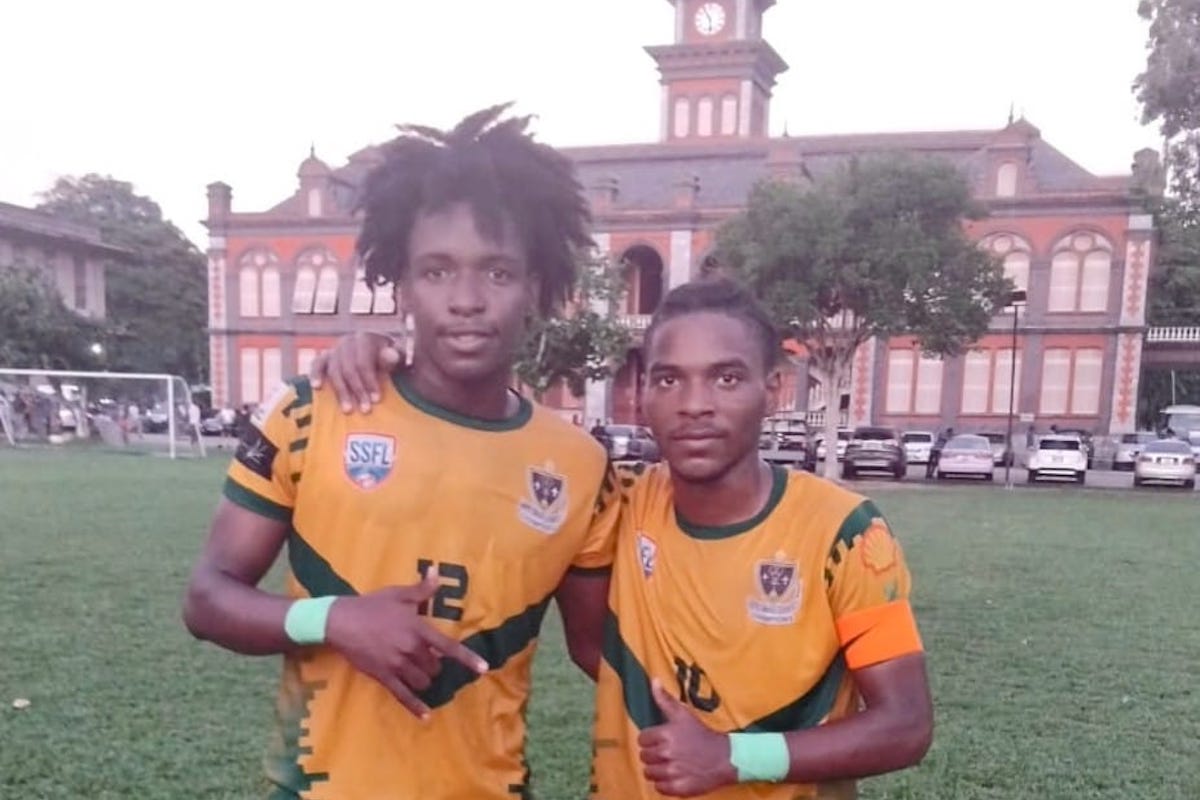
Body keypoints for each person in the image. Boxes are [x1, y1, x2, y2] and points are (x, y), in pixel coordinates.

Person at [319, 280, 932, 799]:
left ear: (771, 390)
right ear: (642, 396)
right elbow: (588, 641)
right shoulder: (616, 503)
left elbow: (905, 725)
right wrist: (385, 357)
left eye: (725, 378)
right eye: (668, 380)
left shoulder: (847, 533)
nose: (694, 405)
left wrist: (733, 757)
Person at [182, 105, 620, 800]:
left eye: (498, 273)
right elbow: (207, 598)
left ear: (536, 285)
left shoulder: (581, 466)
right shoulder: (314, 410)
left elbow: (604, 653)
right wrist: (331, 620)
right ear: (403, 283)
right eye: (438, 272)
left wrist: (757, 730)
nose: (468, 300)